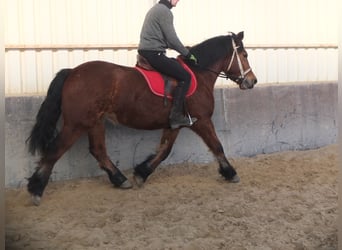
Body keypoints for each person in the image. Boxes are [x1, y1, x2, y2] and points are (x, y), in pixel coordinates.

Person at [138, 0, 198, 129]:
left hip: (148, 52)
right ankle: (176, 117)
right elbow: (172, 39)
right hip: (154, 54)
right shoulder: (165, 12)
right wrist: (187, 54)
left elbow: (168, 41)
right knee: (185, 76)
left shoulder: (157, 9)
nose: (178, 0)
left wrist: (183, 49)